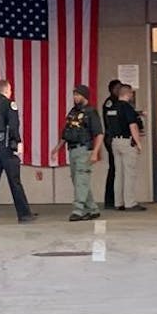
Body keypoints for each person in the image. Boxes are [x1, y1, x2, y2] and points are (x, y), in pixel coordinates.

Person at [0, 80, 37, 225]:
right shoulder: (9, 104)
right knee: (14, 181)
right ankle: (24, 214)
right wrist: (18, 142)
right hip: (6, 147)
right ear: (6, 91)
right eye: (10, 90)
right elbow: (13, 126)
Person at [50, 85, 103, 221]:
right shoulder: (73, 112)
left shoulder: (91, 112)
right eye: (74, 95)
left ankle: (78, 210)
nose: (75, 97)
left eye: (77, 95)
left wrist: (95, 152)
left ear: (84, 96)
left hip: (84, 150)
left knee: (81, 180)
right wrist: (57, 148)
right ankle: (92, 209)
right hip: (72, 149)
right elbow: (66, 132)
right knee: (79, 180)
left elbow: (99, 134)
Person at [111, 84, 146, 211]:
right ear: (128, 94)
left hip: (115, 141)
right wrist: (138, 143)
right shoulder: (127, 108)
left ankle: (118, 202)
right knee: (129, 173)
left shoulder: (112, 107)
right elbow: (133, 126)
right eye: (131, 93)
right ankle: (130, 203)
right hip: (127, 142)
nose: (132, 95)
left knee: (118, 173)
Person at [101, 79, 122, 208]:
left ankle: (117, 199)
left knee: (118, 169)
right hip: (111, 138)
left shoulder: (120, 102)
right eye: (118, 88)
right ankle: (110, 200)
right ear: (113, 89)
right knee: (114, 169)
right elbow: (111, 121)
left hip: (117, 138)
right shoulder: (110, 103)